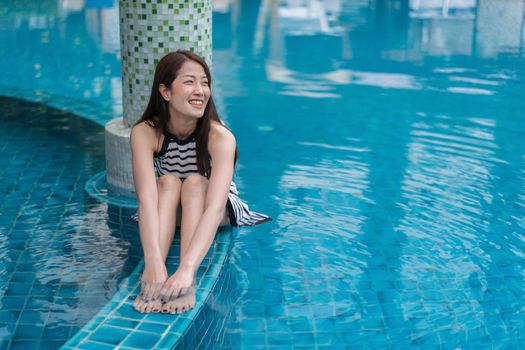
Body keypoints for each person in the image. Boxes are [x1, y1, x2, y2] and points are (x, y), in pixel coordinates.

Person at [130, 50, 271, 314]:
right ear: (165, 91)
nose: (200, 90)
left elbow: (216, 208)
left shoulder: (220, 136)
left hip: (215, 208)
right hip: (174, 204)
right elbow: (146, 199)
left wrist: (186, 270)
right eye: (189, 82)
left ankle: (187, 284)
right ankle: (155, 277)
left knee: (195, 183)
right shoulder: (145, 132)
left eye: (204, 83)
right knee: (168, 182)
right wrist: (153, 263)